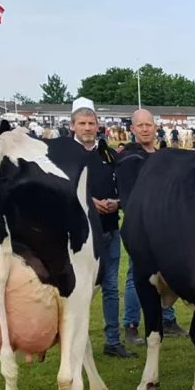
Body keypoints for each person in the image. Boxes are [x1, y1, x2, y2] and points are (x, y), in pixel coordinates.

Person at [116, 108, 186, 344]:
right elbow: (128, 196)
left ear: (155, 127)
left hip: (166, 226)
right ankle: (132, 325)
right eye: (140, 125)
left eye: (149, 125)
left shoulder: (162, 157)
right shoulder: (127, 158)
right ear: (132, 129)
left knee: (167, 272)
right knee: (136, 275)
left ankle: (167, 319)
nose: (145, 129)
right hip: (141, 227)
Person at [71, 97, 134, 358]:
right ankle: (76, 342)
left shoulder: (107, 154)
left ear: (98, 126)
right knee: (80, 288)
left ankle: (112, 340)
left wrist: (116, 202)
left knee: (110, 286)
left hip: (109, 229)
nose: (87, 128)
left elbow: (122, 186)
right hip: (79, 234)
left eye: (91, 123)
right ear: (73, 126)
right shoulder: (65, 154)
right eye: (82, 123)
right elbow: (60, 191)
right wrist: (88, 202)